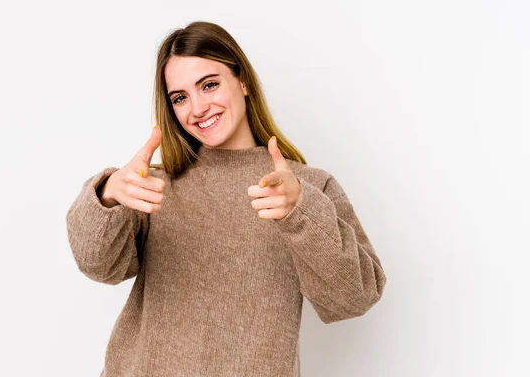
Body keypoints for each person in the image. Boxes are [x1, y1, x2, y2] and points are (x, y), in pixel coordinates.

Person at [66, 21, 387, 377]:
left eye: (209, 85)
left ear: (243, 82)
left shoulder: (308, 189)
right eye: (180, 97)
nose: (198, 107)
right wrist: (108, 195)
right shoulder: (155, 186)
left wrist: (300, 212)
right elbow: (98, 266)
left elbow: (353, 298)